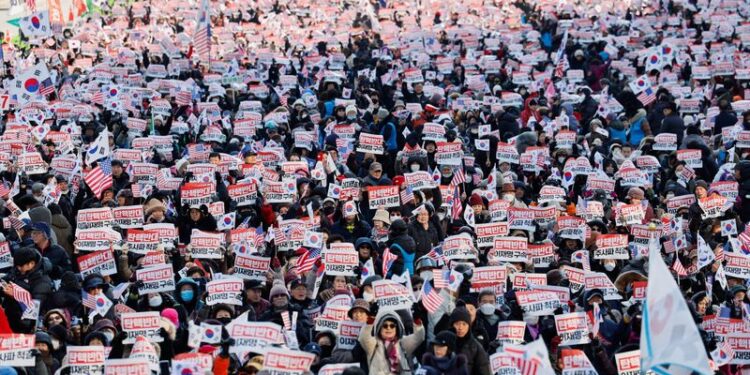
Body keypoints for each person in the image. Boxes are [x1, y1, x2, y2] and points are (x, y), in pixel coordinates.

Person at [359, 311, 425, 374]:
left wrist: (417, 320)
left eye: (392, 326)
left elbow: (419, 337)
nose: (388, 328)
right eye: (385, 326)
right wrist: (371, 319)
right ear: (379, 328)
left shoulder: (402, 342)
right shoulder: (373, 344)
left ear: (397, 328)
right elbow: (363, 338)